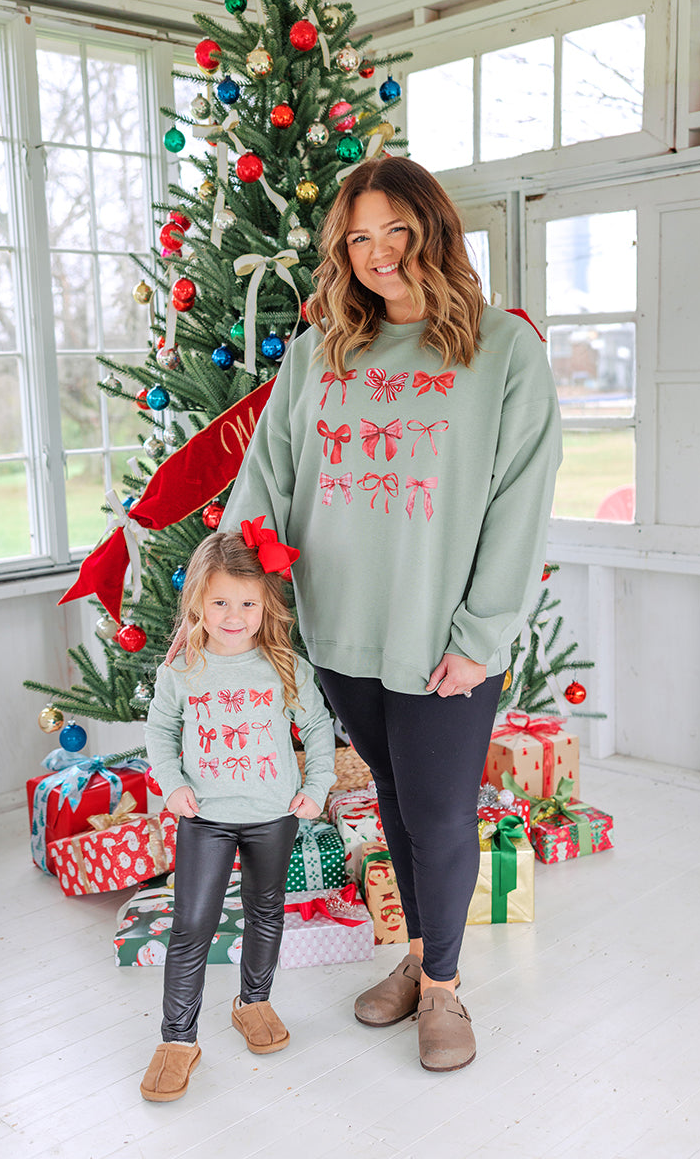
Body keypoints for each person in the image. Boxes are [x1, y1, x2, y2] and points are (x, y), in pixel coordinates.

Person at [221, 156, 562, 1073]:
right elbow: (268, 475)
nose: (377, 254)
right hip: (341, 631)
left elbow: (520, 505)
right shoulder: (323, 350)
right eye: (358, 238)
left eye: (394, 231)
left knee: (442, 815)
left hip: (441, 637)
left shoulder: (501, 351)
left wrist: (482, 636)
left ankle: (444, 991)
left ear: (432, 229)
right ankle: (416, 960)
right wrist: (234, 588)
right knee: (400, 807)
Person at [139, 526, 336, 1102]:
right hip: (205, 816)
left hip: (274, 812)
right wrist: (171, 783)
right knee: (192, 925)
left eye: (248, 603)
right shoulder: (182, 667)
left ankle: (253, 1003)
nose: (234, 615)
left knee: (266, 909)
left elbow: (319, 728)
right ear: (198, 599)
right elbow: (160, 728)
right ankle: (178, 1040)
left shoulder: (283, 664)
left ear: (264, 603)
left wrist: (317, 784)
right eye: (221, 602)